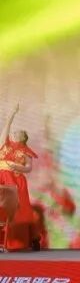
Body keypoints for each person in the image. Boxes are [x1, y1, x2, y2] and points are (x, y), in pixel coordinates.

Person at [0, 104, 45, 250]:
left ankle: (31, 238)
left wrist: (18, 167)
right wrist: (12, 113)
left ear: (23, 138)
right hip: (2, 178)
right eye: (13, 132)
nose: (14, 133)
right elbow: (6, 127)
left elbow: (29, 167)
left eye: (18, 133)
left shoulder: (25, 151)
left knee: (21, 209)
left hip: (16, 181)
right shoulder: (5, 144)